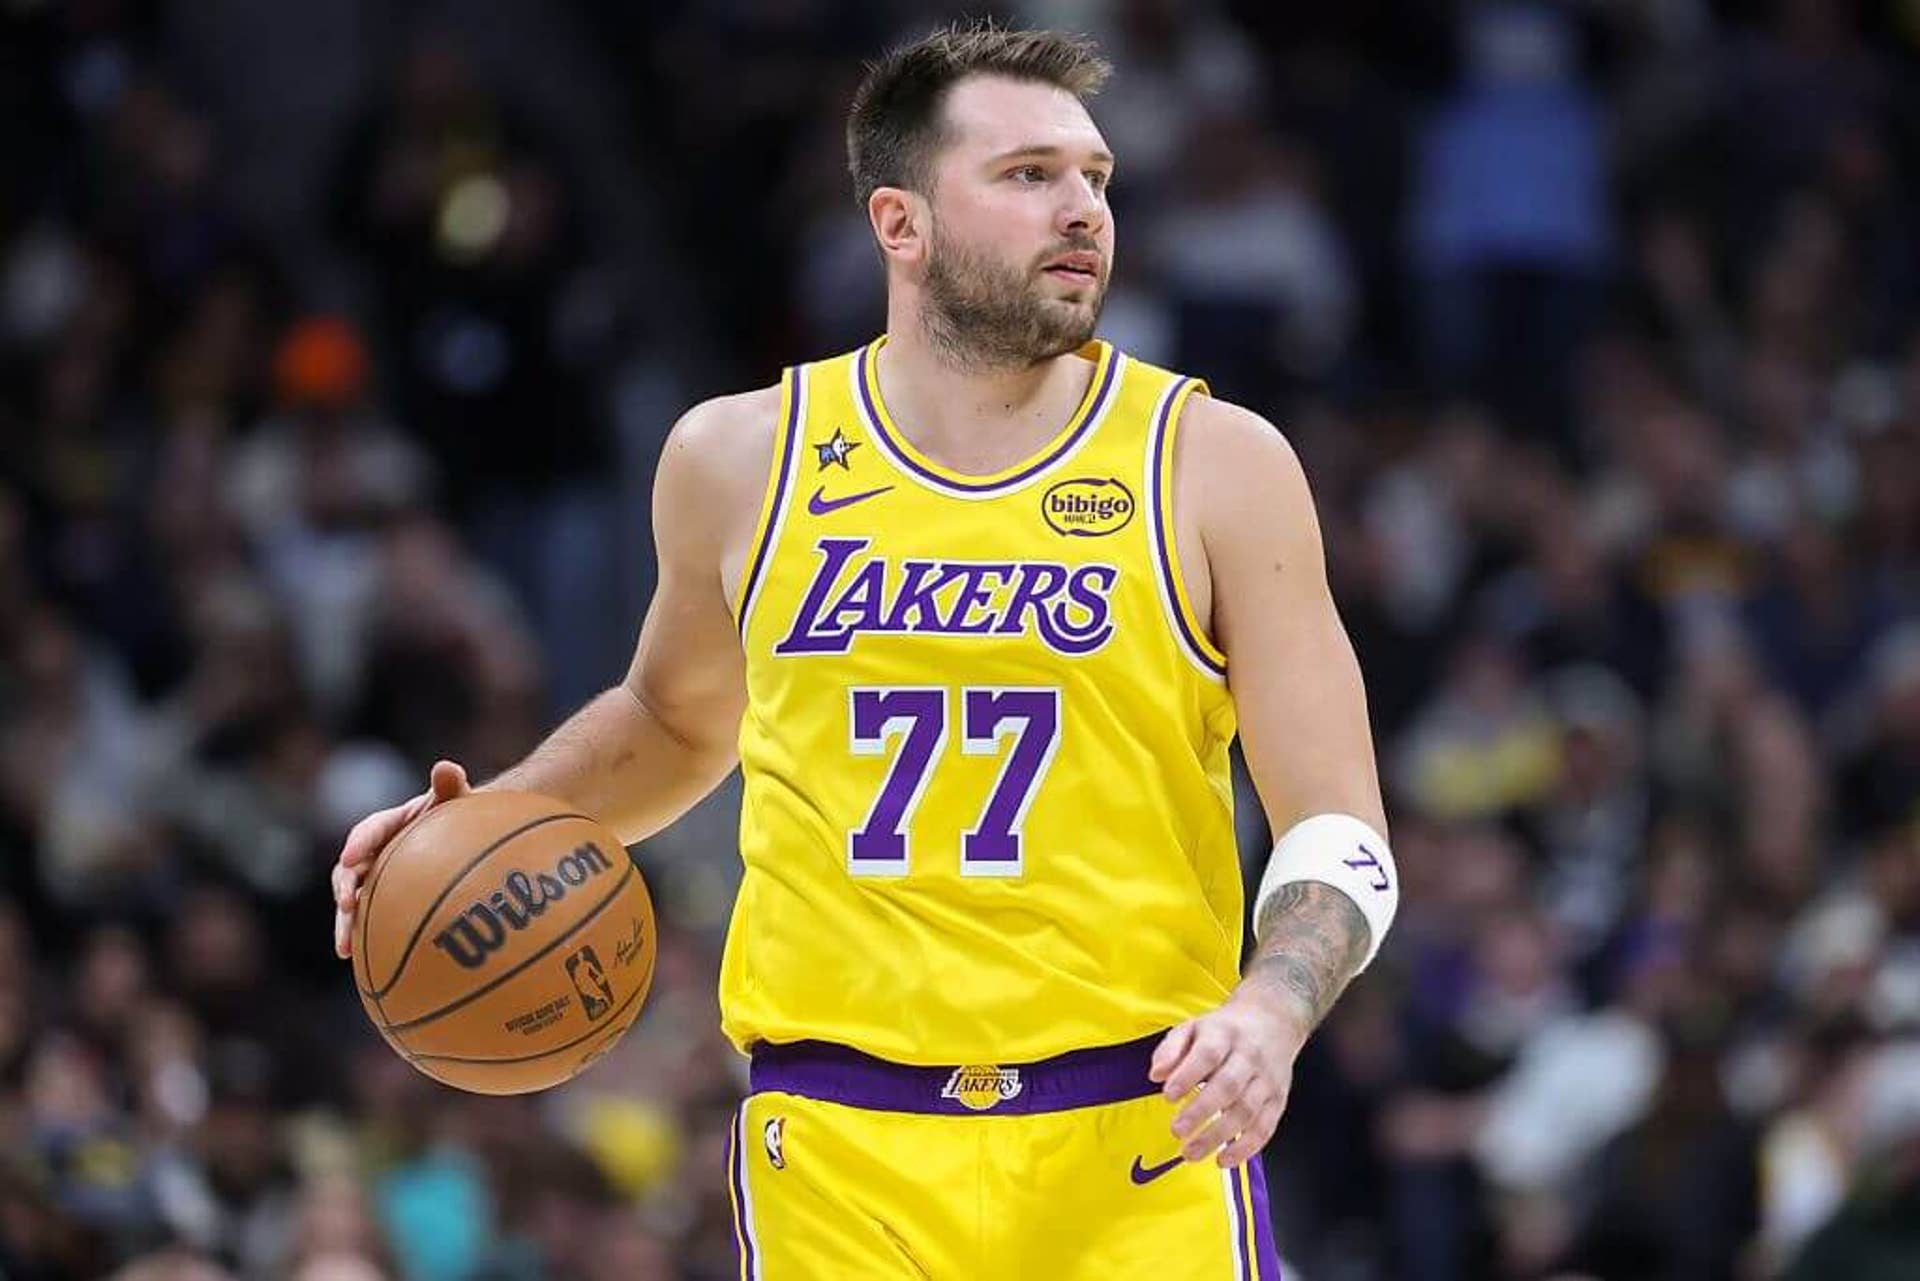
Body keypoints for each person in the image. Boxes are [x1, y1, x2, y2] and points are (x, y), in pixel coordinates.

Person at [329, 23, 1395, 1277]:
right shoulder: (738, 459)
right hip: (838, 1153)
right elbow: (676, 725)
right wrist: (479, 828)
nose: (1083, 210)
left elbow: (1340, 830)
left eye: (1096, 178)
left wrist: (1274, 1007)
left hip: (1141, 1134)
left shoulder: (1217, 463)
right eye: (1028, 175)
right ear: (899, 224)